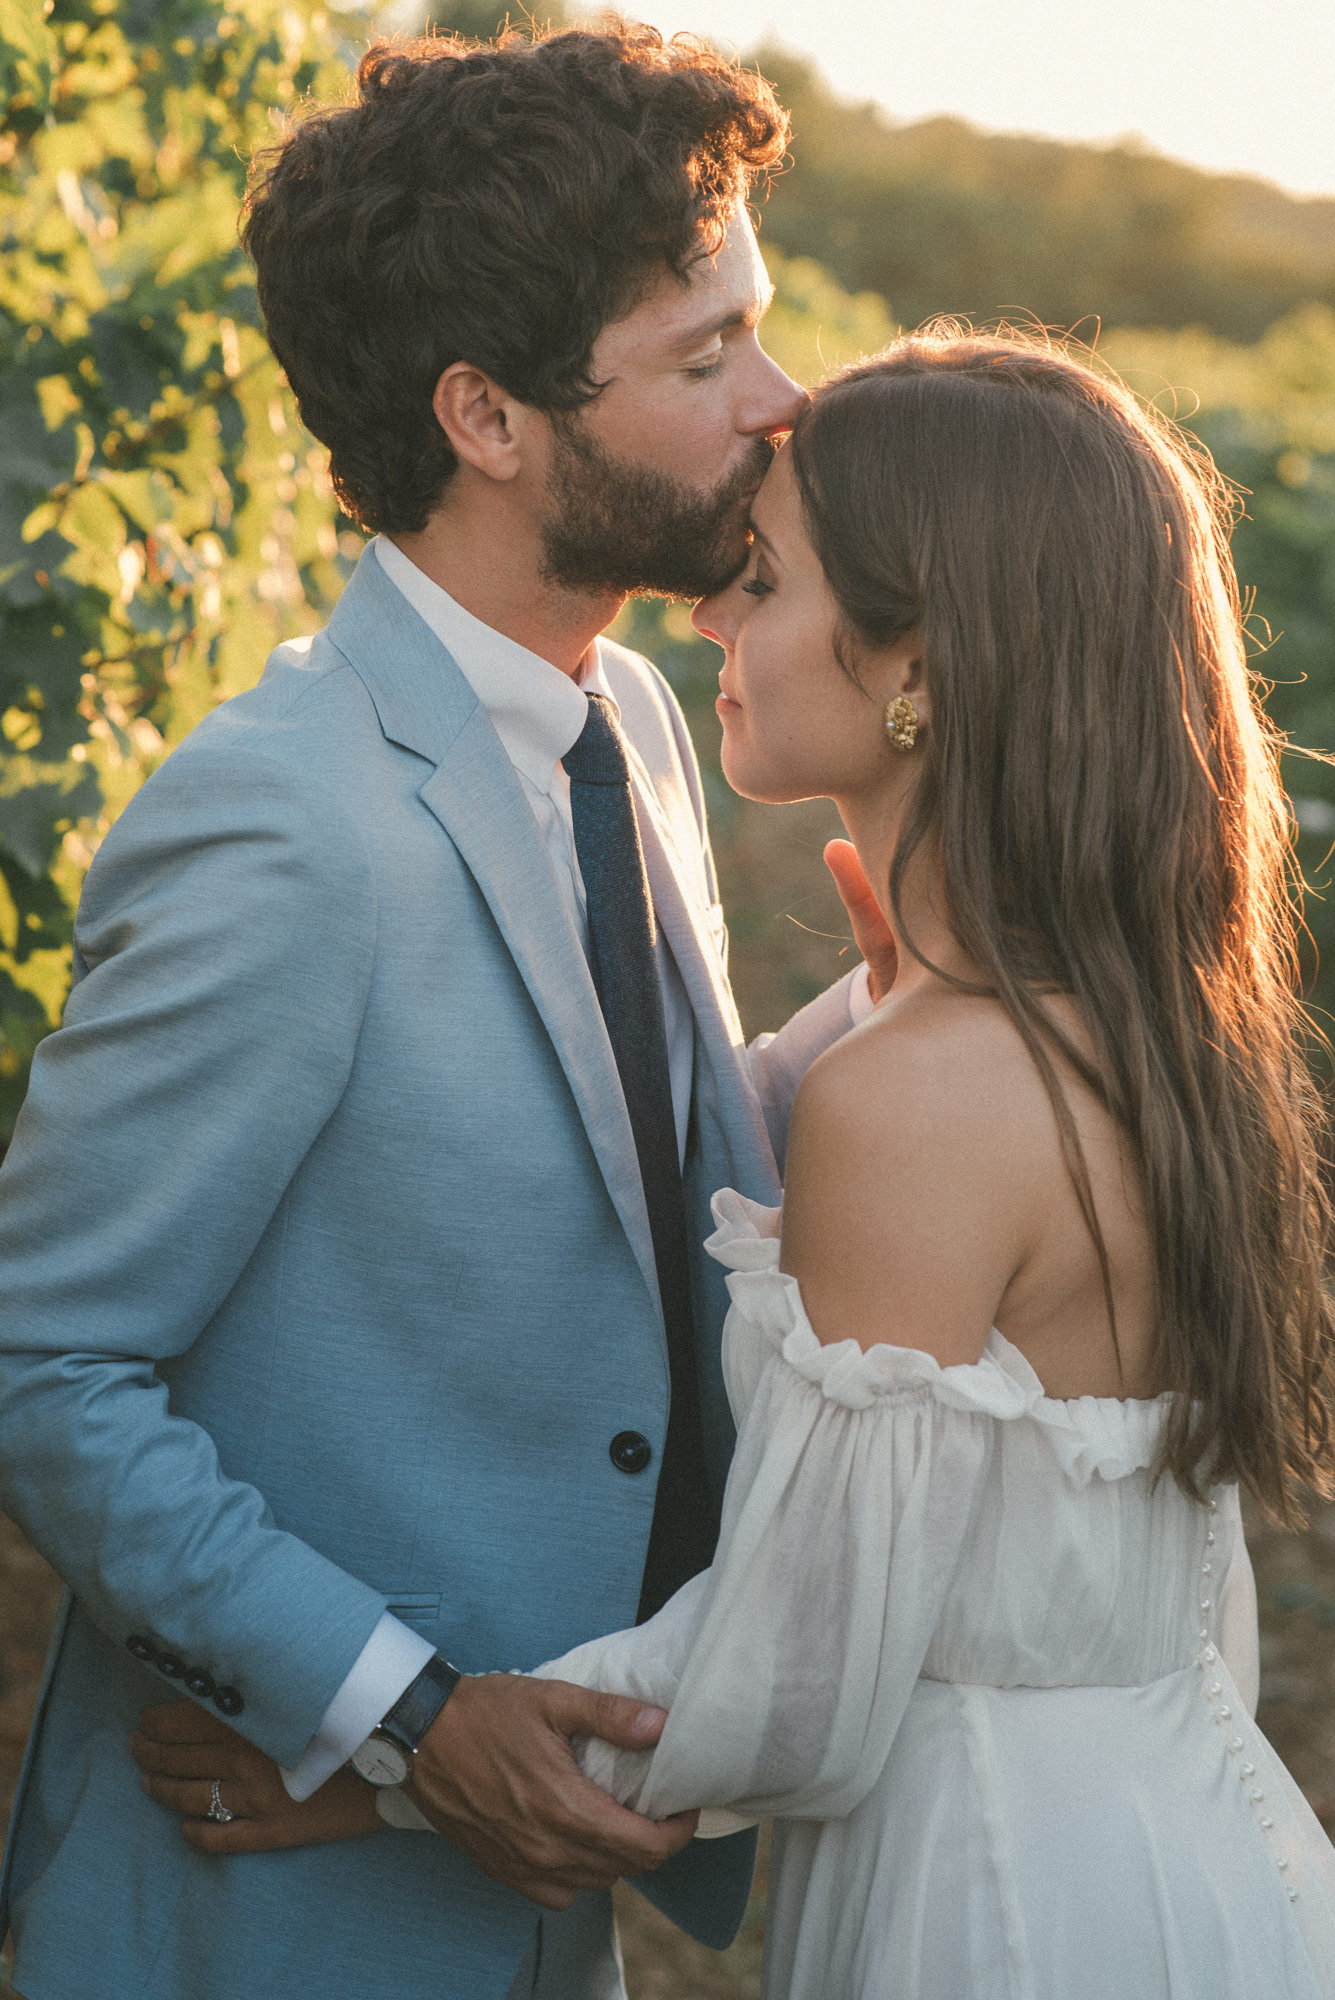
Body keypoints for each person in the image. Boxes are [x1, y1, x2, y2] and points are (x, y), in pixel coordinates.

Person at [146, 329, 1335, 1998]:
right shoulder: (1149, 1022)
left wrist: (401, 1764)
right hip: (1189, 1862)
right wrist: (882, 1004)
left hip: (992, 1910)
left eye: (763, 582)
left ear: (919, 662)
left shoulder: (923, 1095)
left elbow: (800, 1684)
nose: (709, 612)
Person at [0, 27, 893, 2000]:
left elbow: (603, 1157)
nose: (778, 400)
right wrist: (403, 1715)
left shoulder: (629, 715)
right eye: (700, 358)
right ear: (486, 417)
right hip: (264, 1918)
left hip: (522, 1900)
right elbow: (44, 1361)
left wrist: (922, 1001)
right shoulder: (280, 816)